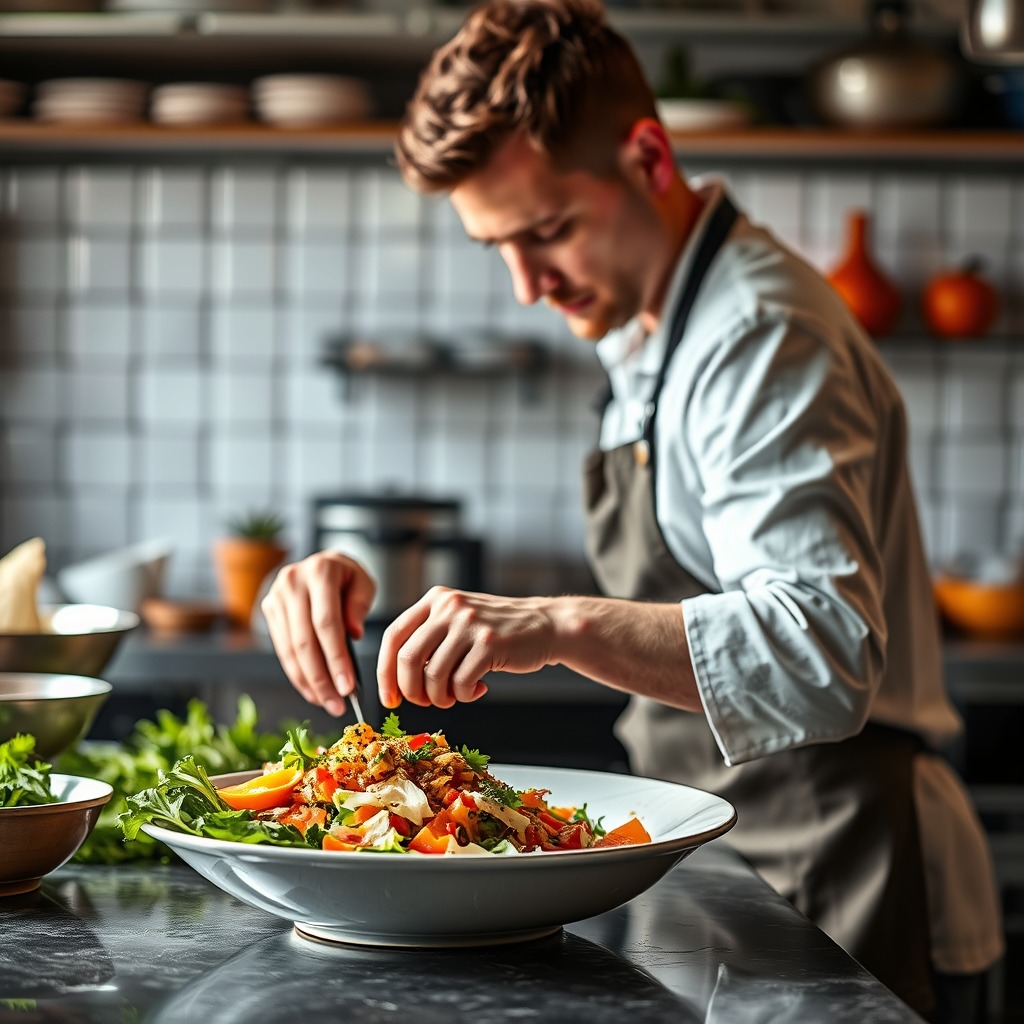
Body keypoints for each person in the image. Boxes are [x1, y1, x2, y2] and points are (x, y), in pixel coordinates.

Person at [261, 1, 1004, 1019]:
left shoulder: (757, 336)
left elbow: (821, 649)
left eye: (548, 231)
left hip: (842, 878)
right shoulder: (653, 322)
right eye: (499, 250)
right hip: (733, 874)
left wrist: (558, 624)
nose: (527, 285)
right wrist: (328, 577)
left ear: (648, 156)